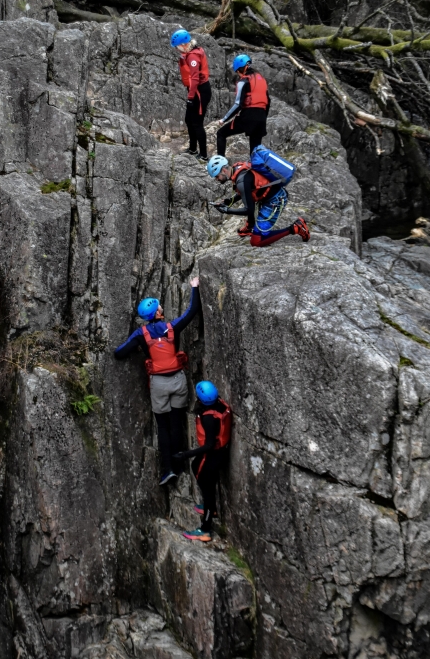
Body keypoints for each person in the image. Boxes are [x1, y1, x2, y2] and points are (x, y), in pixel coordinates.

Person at [114, 277, 200, 486]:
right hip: (178, 381)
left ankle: (167, 469)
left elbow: (119, 353)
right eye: (160, 307)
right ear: (158, 313)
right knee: (176, 422)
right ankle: (179, 464)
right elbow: (192, 311)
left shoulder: (140, 334)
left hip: (159, 384)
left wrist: (139, 347)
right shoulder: (171, 328)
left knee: (162, 426)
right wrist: (194, 288)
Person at [207, 154, 310, 247]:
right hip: (269, 197)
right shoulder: (237, 168)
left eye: (217, 176)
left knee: (257, 241)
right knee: (249, 201)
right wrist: (229, 201)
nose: (217, 179)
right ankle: (250, 227)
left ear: (224, 170)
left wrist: (226, 210)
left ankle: (296, 228)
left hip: (275, 200)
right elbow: (247, 192)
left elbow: (249, 210)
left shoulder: (241, 180)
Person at [174, 381, 232, 543]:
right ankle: (209, 508)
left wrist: (185, 454)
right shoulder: (219, 405)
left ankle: (205, 529)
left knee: (208, 490)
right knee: (195, 466)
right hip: (219, 451)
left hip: (213, 455)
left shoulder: (209, 419)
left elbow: (209, 445)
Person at [216, 54, 270, 157]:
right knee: (255, 151)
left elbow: (238, 105)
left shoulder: (243, 81)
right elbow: (268, 101)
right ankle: (255, 170)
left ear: (239, 70)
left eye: (237, 72)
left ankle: (221, 164)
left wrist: (224, 119)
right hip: (261, 118)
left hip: (248, 117)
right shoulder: (262, 79)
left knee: (221, 133)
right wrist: (263, 118)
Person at [171, 29, 211, 161]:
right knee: (189, 119)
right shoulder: (188, 54)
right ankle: (193, 148)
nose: (177, 50)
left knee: (197, 123)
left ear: (183, 45)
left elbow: (195, 78)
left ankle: (204, 154)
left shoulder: (193, 57)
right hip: (195, 90)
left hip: (200, 91)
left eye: (177, 47)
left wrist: (190, 97)